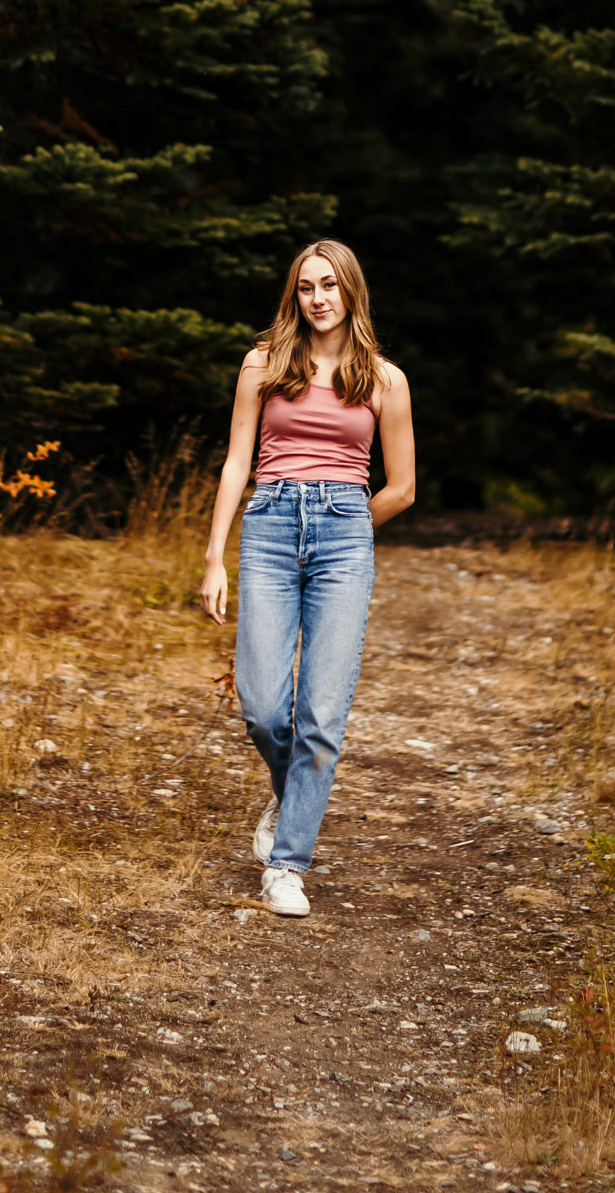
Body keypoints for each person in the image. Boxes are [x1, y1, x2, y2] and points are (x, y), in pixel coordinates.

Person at [198, 239, 415, 916]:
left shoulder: (385, 380)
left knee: (323, 714)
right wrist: (213, 556)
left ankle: (286, 866)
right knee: (262, 704)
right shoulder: (262, 364)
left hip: (345, 537)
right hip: (267, 528)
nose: (318, 298)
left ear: (352, 291)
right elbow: (238, 462)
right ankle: (292, 791)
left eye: (330, 285)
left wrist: (346, 525)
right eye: (305, 287)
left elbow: (402, 487)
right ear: (294, 297)